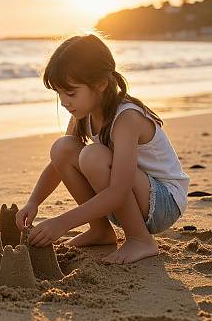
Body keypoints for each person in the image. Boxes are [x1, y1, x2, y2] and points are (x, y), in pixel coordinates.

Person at [15, 33, 189, 264]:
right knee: (62, 148)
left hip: (163, 202)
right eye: (59, 94)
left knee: (93, 155)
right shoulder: (83, 114)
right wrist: (33, 202)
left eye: (71, 93)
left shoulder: (127, 118)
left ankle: (140, 239)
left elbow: (119, 189)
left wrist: (62, 222)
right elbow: (59, 163)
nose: (64, 102)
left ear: (100, 84)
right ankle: (100, 230)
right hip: (129, 199)